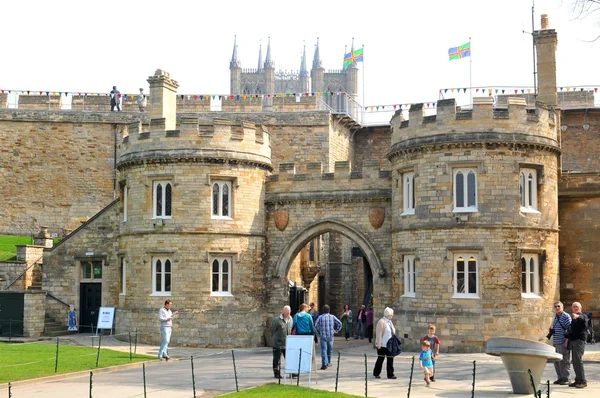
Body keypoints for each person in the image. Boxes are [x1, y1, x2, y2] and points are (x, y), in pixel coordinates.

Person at [550, 301, 571, 385]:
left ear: (562, 307)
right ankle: (560, 378)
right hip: (556, 341)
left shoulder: (566, 316)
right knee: (556, 361)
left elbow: (570, 330)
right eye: (555, 306)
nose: (557, 308)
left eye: (559, 306)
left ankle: (566, 378)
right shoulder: (555, 316)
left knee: (564, 361)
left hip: (563, 342)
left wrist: (567, 341)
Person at [315, 304, 342, 370]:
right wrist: (336, 330)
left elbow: (316, 326)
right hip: (330, 335)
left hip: (323, 335)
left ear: (323, 310)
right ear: (329, 310)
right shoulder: (332, 317)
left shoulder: (320, 317)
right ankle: (329, 362)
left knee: (324, 350)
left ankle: (324, 363)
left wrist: (319, 332)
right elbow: (339, 323)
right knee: (330, 349)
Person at [373, 307, 396, 379]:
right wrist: (378, 344)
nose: (392, 316)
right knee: (380, 359)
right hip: (382, 345)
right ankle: (376, 373)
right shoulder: (381, 321)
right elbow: (379, 333)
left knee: (390, 359)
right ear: (388, 314)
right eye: (391, 314)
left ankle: (390, 374)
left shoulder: (390, 322)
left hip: (389, 344)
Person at [270, 305, 293, 379]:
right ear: (283, 311)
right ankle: (276, 373)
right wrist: (276, 338)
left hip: (287, 343)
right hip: (278, 343)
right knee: (277, 359)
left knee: (289, 358)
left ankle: (292, 372)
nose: (288, 313)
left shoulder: (290, 319)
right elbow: (272, 330)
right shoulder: (277, 320)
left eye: (289, 311)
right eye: (286, 311)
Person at [569, 302, 587, 389]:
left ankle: (583, 381)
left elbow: (583, 319)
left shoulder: (583, 316)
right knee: (575, 361)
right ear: (572, 309)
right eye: (574, 307)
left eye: (577, 307)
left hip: (579, 341)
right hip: (574, 341)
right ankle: (578, 380)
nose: (575, 308)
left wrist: (578, 316)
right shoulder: (573, 318)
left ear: (580, 308)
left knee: (578, 361)